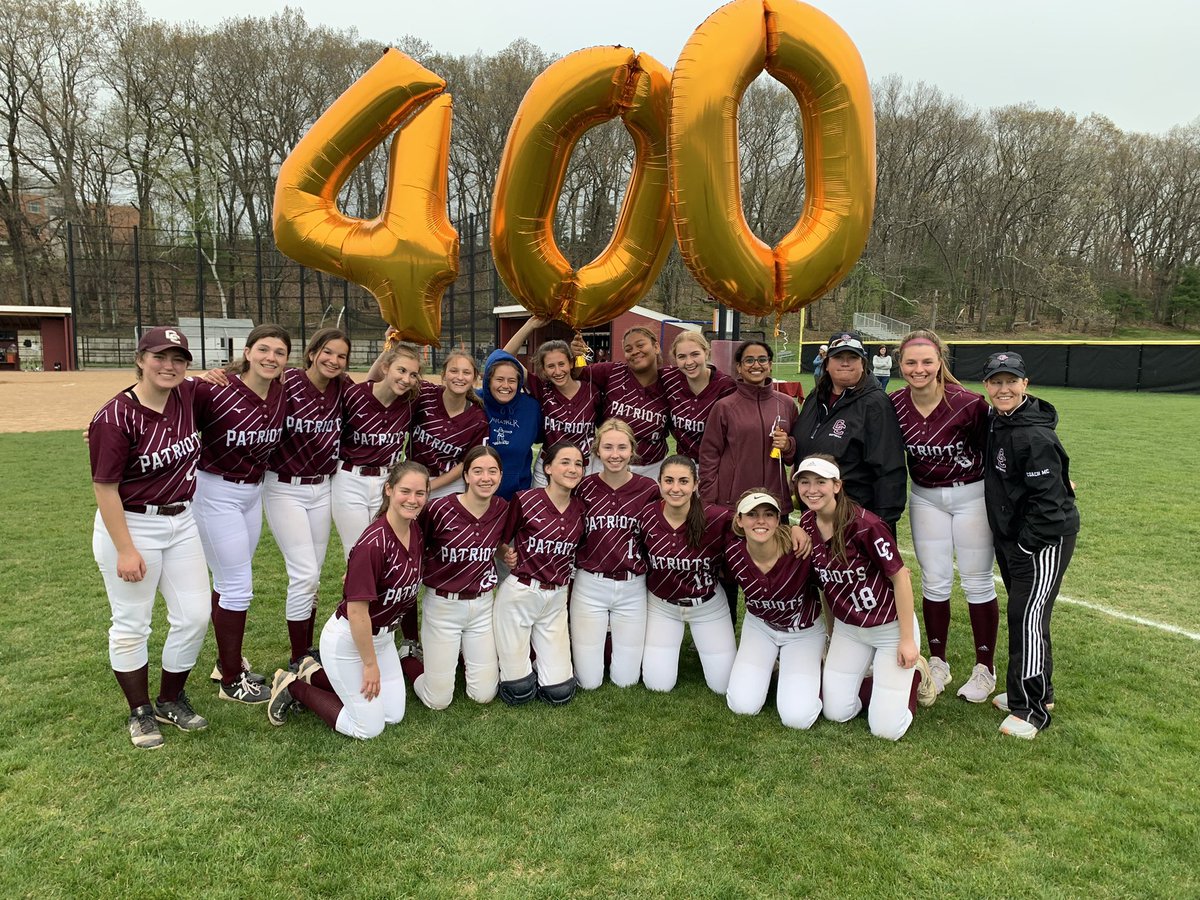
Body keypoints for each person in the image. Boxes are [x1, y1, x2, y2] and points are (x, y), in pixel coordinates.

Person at [89, 326, 212, 749]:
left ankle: (170, 698)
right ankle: (139, 712)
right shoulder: (115, 416)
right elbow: (105, 489)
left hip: (182, 520)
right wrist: (125, 549)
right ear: (140, 359)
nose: (169, 365)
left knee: (195, 615)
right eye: (160, 356)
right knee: (131, 624)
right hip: (132, 523)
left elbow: (234, 377)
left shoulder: (187, 395)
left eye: (178, 358)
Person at [267, 461, 430, 738]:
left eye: (420, 493)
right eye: (405, 491)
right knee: (369, 728)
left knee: (393, 714)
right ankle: (292, 686)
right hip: (349, 640)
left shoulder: (414, 529)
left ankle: (313, 673)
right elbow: (357, 614)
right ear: (388, 490)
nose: (412, 500)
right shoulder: (373, 544)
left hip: (383, 638)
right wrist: (369, 665)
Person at [795, 454, 936, 741]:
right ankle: (880, 683)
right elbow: (826, 587)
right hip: (850, 629)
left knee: (886, 730)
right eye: (805, 482)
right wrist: (833, 633)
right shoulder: (808, 523)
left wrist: (906, 640)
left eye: (820, 482)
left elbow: (901, 579)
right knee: (836, 712)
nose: (812, 489)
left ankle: (916, 675)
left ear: (837, 485)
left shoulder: (865, 525)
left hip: (889, 628)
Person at [891, 330, 998, 703]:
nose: (918, 369)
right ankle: (937, 662)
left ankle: (985, 668)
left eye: (926, 361)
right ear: (899, 364)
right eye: (911, 362)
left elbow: (1002, 448)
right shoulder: (894, 404)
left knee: (976, 581)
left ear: (940, 363)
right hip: (925, 498)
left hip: (972, 496)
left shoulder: (969, 404)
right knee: (934, 581)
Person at [981, 352, 1079, 740]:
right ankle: (1040, 692)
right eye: (995, 382)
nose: (1003, 389)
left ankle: (1032, 711)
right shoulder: (997, 421)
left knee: (1028, 618)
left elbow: (1050, 504)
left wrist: (1027, 546)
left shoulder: (1034, 435)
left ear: (1026, 384)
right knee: (1028, 616)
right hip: (1013, 536)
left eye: (1011, 381)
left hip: (1041, 540)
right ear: (986, 386)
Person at [192, 324, 289, 704]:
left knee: (229, 583)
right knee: (237, 587)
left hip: (252, 493)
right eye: (263, 349)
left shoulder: (281, 391)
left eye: (279, 352)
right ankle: (232, 679)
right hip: (215, 490)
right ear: (247, 352)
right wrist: (104, 425)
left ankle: (226, 662)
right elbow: (159, 401)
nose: (271, 358)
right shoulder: (215, 388)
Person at [262, 327, 350, 672]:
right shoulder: (288, 379)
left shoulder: (341, 388)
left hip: (323, 487)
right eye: (327, 352)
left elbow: (375, 386)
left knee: (312, 574)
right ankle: (299, 656)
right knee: (304, 575)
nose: (333, 360)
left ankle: (307, 648)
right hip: (284, 485)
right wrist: (220, 374)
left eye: (341, 356)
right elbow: (245, 381)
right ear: (312, 352)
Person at [412, 445, 508, 709]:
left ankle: (456, 658)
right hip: (444, 606)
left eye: (492, 471)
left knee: (483, 695)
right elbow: (411, 540)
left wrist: (505, 552)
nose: (485, 478)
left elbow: (497, 542)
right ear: (465, 475)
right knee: (437, 701)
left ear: (501, 475)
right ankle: (408, 663)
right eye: (477, 471)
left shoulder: (502, 508)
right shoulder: (438, 509)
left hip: (482, 606)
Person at [493, 442, 586, 705]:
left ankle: (539, 661)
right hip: (521, 592)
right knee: (519, 691)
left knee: (560, 692)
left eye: (578, 464)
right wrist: (503, 553)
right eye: (565, 462)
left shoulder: (580, 508)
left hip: (555, 597)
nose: (572, 468)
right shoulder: (525, 499)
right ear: (548, 468)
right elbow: (500, 540)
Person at [571, 419, 660, 689]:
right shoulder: (583, 487)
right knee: (588, 681)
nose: (615, 454)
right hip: (590, 584)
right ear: (597, 451)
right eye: (607, 447)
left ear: (632, 450)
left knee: (626, 680)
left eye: (622, 447)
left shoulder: (649, 489)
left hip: (632, 586)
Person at [724, 490, 823, 730]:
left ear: (778, 520)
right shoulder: (733, 553)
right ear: (739, 520)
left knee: (796, 718)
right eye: (752, 514)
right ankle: (774, 667)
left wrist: (797, 529)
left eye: (769, 514)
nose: (760, 521)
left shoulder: (801, 550)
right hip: (761, 627)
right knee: (742, 705)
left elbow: (831, 589)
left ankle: (814, 670)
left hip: (804, 631)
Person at [791, 330, 907, 535]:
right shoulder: (816, 397)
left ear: (863, 363)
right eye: (838, 357)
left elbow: (889, 468)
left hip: (856, 517)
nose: (845, 363)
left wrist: (881, 525)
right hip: (815, 513)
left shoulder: (875, 403)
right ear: (826, 363)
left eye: (853, 357)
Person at [638, 454, 736, 694]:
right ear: (659, 483)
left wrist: (795, 531)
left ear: (695, 485)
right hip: (662, 606)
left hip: (707, 605)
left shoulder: (716, 517)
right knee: (658, 684)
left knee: (723, 686)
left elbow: (757, 526)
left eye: (683, 481)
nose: (675, 488)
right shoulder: (647, 516)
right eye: (669, 481)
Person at [331, 343, 422, 558]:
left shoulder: (410, 401)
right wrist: (389, 342)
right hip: (350, 479)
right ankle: (357, 592)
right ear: (385, 368)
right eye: (401, 370)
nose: (406, 379)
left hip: (386, 482)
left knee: (386, 550)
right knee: (357, 552)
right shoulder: (355, 395)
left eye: (413, 374)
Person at [505, 318, 603, 486]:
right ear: (543, 369)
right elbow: (504, 357)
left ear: (571, 363)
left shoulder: (592, 390)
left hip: (584, 468)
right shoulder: (542, 389)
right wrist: (531, 325)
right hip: (547, 468)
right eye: (550, 366)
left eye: (561, 364)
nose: (557, 371)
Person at [573, 326, 670, 479]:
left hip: (651, 467)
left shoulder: (670, 381)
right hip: (607, 463)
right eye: (628, 349)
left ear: (656, 347)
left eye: (640, 345)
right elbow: (577, 373)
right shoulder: (613, 372)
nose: (635, 351)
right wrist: (575, 355)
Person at [408, 351, 489, 500]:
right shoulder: (425, 394)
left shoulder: (478, 419)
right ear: (443, 375)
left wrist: (429, 487)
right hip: (414, 476)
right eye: (454, 371)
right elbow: (385, 382)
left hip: (450, 484)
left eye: (466, 372)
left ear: (474, 380)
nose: (459, 377)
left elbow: (466, 463)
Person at [660, 331, 735, 464]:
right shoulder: (669, 379)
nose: (689, 362)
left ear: (706, 353)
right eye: (682, 357)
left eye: (695, 354)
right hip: (685, 465)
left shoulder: (726, 386)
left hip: (718, 466)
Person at [480, 349, 542, 500]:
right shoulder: (474, 401)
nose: (505, 386)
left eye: (512, 381)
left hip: (517, 495)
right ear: (488, 380)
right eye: (499, 379)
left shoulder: (531, 408)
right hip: (476, 493)